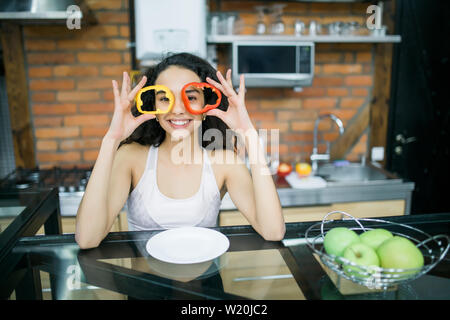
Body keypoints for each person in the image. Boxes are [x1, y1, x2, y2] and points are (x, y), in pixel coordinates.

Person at [75, 53, 285, 249]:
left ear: (206, 106)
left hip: (206, 285)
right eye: (165, 98)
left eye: (191, 97)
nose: (177, 109)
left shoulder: (224, 162)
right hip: (145, 285)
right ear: (154, 108)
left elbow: (273, 231)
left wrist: (249, 136)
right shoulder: (131, 157)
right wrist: (110, 141)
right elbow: (87, 239)